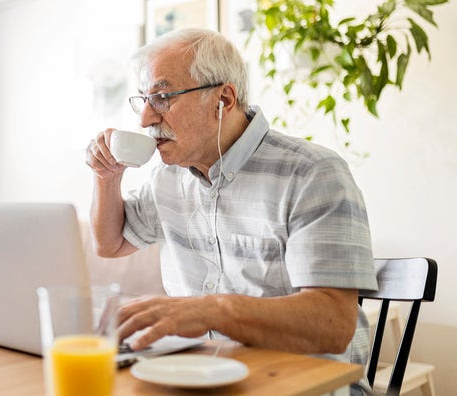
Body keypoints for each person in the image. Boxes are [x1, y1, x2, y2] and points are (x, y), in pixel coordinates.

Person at [85, 28, 377, 391]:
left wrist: (209, 309)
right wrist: (106, 176)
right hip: (201, 377)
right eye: (143, 100)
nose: (145, 118)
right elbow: (110, 244)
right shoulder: (167, 178)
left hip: (304, 385)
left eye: (162, 97)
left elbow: (333, 325)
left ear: (223, 99)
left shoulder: (312, 172)